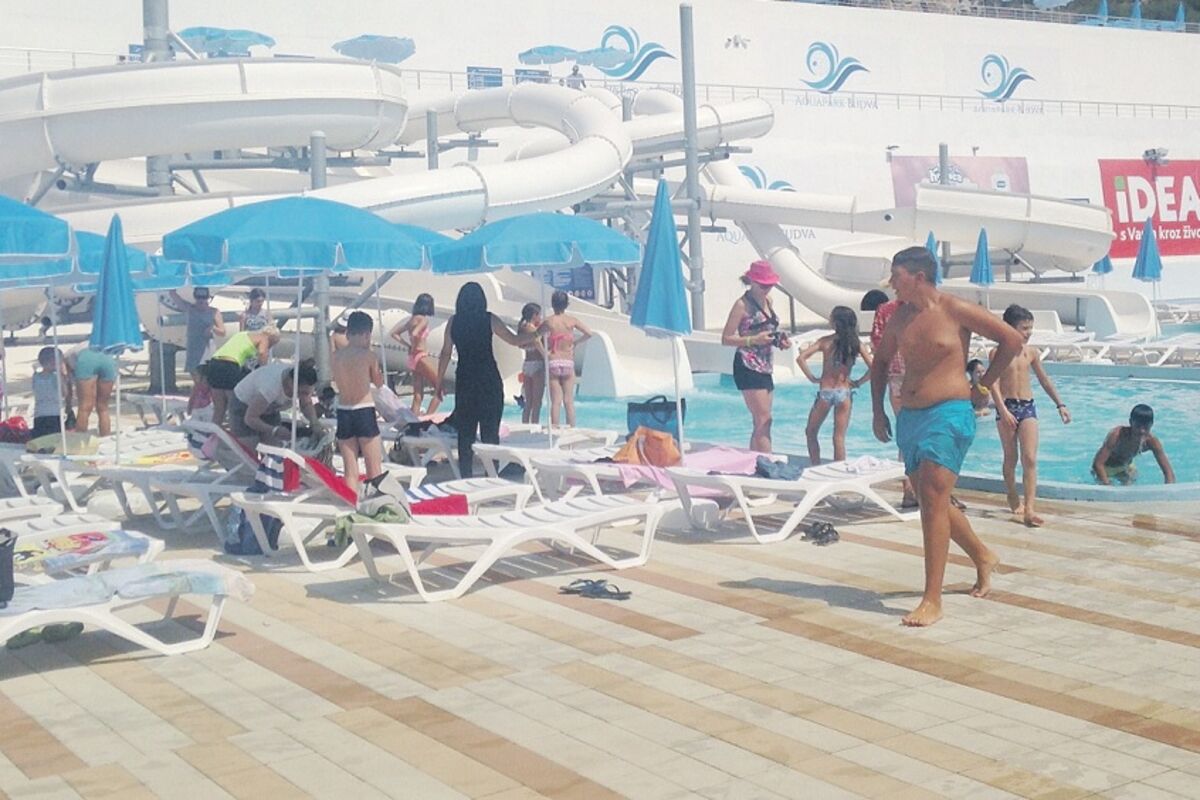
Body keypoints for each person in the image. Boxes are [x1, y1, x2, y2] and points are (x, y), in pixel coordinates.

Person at [870, 246, 1023, 627]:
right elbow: (881, 361)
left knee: (934, 498)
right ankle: (982, 555)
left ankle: (932, 600)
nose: (892, 284)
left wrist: (983, 385)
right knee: (930, 500)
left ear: (918, 277)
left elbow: (1011, 341)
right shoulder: (899, 317)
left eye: (896, 276)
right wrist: (877, 410)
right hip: (911, 417)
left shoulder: (955, 310)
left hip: (949, 413)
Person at [435, 282, 541, 478]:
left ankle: (465, 477)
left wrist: (438, 382)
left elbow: (445, 353)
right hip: (488, 380)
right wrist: (538, 334)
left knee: (465, 435)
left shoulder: (453, 322)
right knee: (490, 435)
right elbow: (514, 340)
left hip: (465, 381)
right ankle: (491, 477)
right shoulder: (489, 319)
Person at [990, 304, 1071, 527]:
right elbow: (993, 383)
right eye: (1024, 328)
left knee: (1030, 458)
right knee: (1011, 457)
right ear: (1010, 328)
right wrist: (1002, 410)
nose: (1029, 332)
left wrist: (1060, 404)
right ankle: (1011, 493)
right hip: (1006, 406)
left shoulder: (1031, 353)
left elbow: (1044, 380)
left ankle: (1030, 508)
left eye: (1030, 328)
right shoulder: (998, 353)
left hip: (1027, 407)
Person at [722, 260, 790, 453]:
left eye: (770, 285)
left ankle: (756, 460)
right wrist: (753, 340)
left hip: (765, 364)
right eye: (763, 285)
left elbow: (766, 329)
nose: (767, 289)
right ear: (751, 281)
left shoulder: (768, 301)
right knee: (764, 419)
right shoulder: (741, 305)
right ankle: (766, 460)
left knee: (761, 421)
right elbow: (726, 338)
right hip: (748, 364)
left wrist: (778, 340)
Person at [795, 306, 872, 465]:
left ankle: (816, 466)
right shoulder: (855, 344)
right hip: (844, 392)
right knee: (839, 437)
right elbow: (874, 367)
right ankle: (840, 471)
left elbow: (801, 358)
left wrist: (812, 378)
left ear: (836, 322)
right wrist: (858, 382)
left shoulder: (825, 341)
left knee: (811, 432)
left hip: (826, 391)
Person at [865, 288, 916, 507]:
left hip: (900, 376)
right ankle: (916, 488)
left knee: (910, 433)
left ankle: (912, 489)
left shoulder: (885, 311)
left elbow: (878, 348)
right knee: (918, 432)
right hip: (912, 375)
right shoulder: (923, 308)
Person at [332, 311, 384, 496]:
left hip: (343, 410)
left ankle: (349, 503)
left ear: (348, 333)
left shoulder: (336, 357)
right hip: (364, 409)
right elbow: (379, 383)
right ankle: (376, 503)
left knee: (350, 470)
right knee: (373, 468)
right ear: (367, 334)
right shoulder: (368, 356)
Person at [229, 360, 320, 453]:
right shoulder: (271, 386)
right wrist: (274, 430)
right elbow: (250, 418)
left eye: (307, 393)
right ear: (291, 383)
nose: (303, 396)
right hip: (243, 405)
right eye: (302, 392)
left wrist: (315, 423)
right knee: (249, 452)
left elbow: (306, 404)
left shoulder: (300, 381)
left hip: (271, 409)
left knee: (274, 451)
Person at [206, 328, 281, 426]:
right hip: (230, 364)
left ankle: (213, 432)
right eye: (272, 344)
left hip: (214, 362)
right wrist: (264, 371)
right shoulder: (264, 338)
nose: (270, 347)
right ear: (272, 338)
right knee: (233, 406)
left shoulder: (243, 334)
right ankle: (237, 432)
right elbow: (262, 353)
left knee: (219, 408)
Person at [1093, 404, 1175, 485]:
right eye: (1137, 426)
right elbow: (1098, 464)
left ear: (1152, 424)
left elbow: (1168, 472)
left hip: (1126, 467)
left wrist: (1169, 490)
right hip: (1106, 468)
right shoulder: (1117, 435)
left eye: (1146, 427)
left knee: (1129, 487)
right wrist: (1107, 485)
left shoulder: (1151, 441)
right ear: (1130, 422)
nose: (1141, 431)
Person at [544, 291, 592, 428]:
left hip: (553, 360)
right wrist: (576, 343)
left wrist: (544, 351)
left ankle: (555, 428)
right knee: (568, 400)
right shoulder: (572, 320)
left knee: (556, 401)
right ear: (566, 305)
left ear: (552, 304)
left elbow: (536, 336)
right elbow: (589, 333)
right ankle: (571, 428)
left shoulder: (549, 321)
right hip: (567, 361)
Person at [390, 293, 440, 415]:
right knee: (439, 389)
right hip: (421, 355)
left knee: (418, 394)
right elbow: (415, 333)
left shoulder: (412, 320)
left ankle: (414, 418)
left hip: (412, 358)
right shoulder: (423, 320)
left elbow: (394, 333)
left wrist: (408, 345)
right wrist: (416, 342)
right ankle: (428, 417)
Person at [172, 288, 225, 379]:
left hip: (207, 348)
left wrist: (212, 328)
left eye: (203, 298)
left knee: (207, 376)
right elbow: (175, 297)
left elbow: (222, 332)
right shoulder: (190, 309)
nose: (201, 300)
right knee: (195, 375)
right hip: (193, 348)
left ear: (207, 298)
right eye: (198, 298)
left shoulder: (214, 312)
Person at [67, 344, 117, 437]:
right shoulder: (76, 350)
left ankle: (80, 439)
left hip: (86, 359)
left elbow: (65, 373)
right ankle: (105, 437)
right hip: (107, 357)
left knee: (84, 407)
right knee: (103, 407)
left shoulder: (66, 357)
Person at [31, 347, 70, 440]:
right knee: (55, 440)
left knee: (41, 439)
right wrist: (63, 377)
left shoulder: (36, 377)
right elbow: (65, 393)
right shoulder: (56, 377)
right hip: (55, 414)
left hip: (39, 414)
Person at [517, 302, 546, 425]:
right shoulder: (532, 329)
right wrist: (547, 356)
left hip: (527, 364)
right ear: (534, 315)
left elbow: (521, 345)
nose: (540, 317)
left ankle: (524, 425)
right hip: (537, 364)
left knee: (528, 402)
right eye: (539, 314)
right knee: (537, 402)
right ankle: (534, 425)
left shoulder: (522, 327)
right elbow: (537, 343)